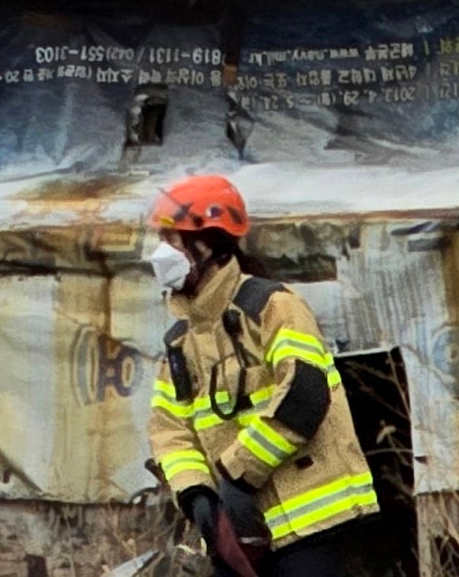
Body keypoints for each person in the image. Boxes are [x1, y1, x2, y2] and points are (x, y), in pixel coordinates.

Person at [147, 174, 378, 575]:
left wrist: (237, 475)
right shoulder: (180, 344)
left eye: (174, 240)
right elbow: (170, 432)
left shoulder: (274, 307)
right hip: (237, 538)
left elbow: (303, 395)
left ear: (211, 245)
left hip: (310, 524)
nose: (162, 253)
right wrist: (198, 493)